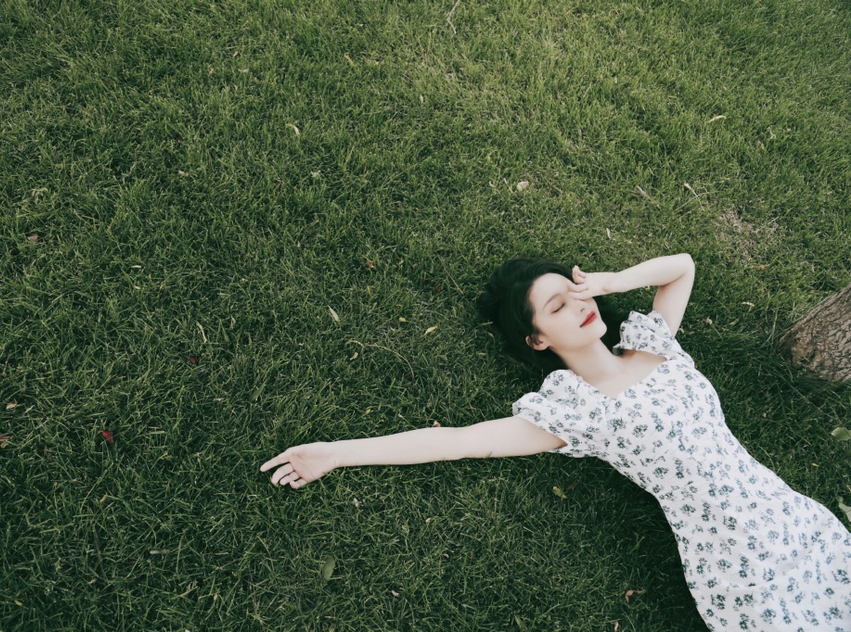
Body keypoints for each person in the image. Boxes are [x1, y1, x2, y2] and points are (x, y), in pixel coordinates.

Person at [261, 254, 851, 631]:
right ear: (537, 339)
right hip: (737, 561)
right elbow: (463, 442)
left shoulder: (652, 343)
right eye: (557, 307)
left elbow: (682, 269)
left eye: (576, 294)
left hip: (797, 519)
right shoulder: (573, 411)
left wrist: (615, 280)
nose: (580, 304)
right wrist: (337, 452)